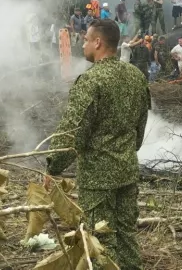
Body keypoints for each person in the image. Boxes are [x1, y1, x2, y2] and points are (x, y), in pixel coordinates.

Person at [46, 19, 150, 270]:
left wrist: (52, 167)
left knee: (101, 239)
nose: (82, 44)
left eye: (85, 39)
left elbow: (72, 132)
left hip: (98, 177)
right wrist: (125, 151)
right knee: (126, 234)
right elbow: (140, 127)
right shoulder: (135, 76)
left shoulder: (92, 81)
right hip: (127, 170)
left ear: (98, 42)